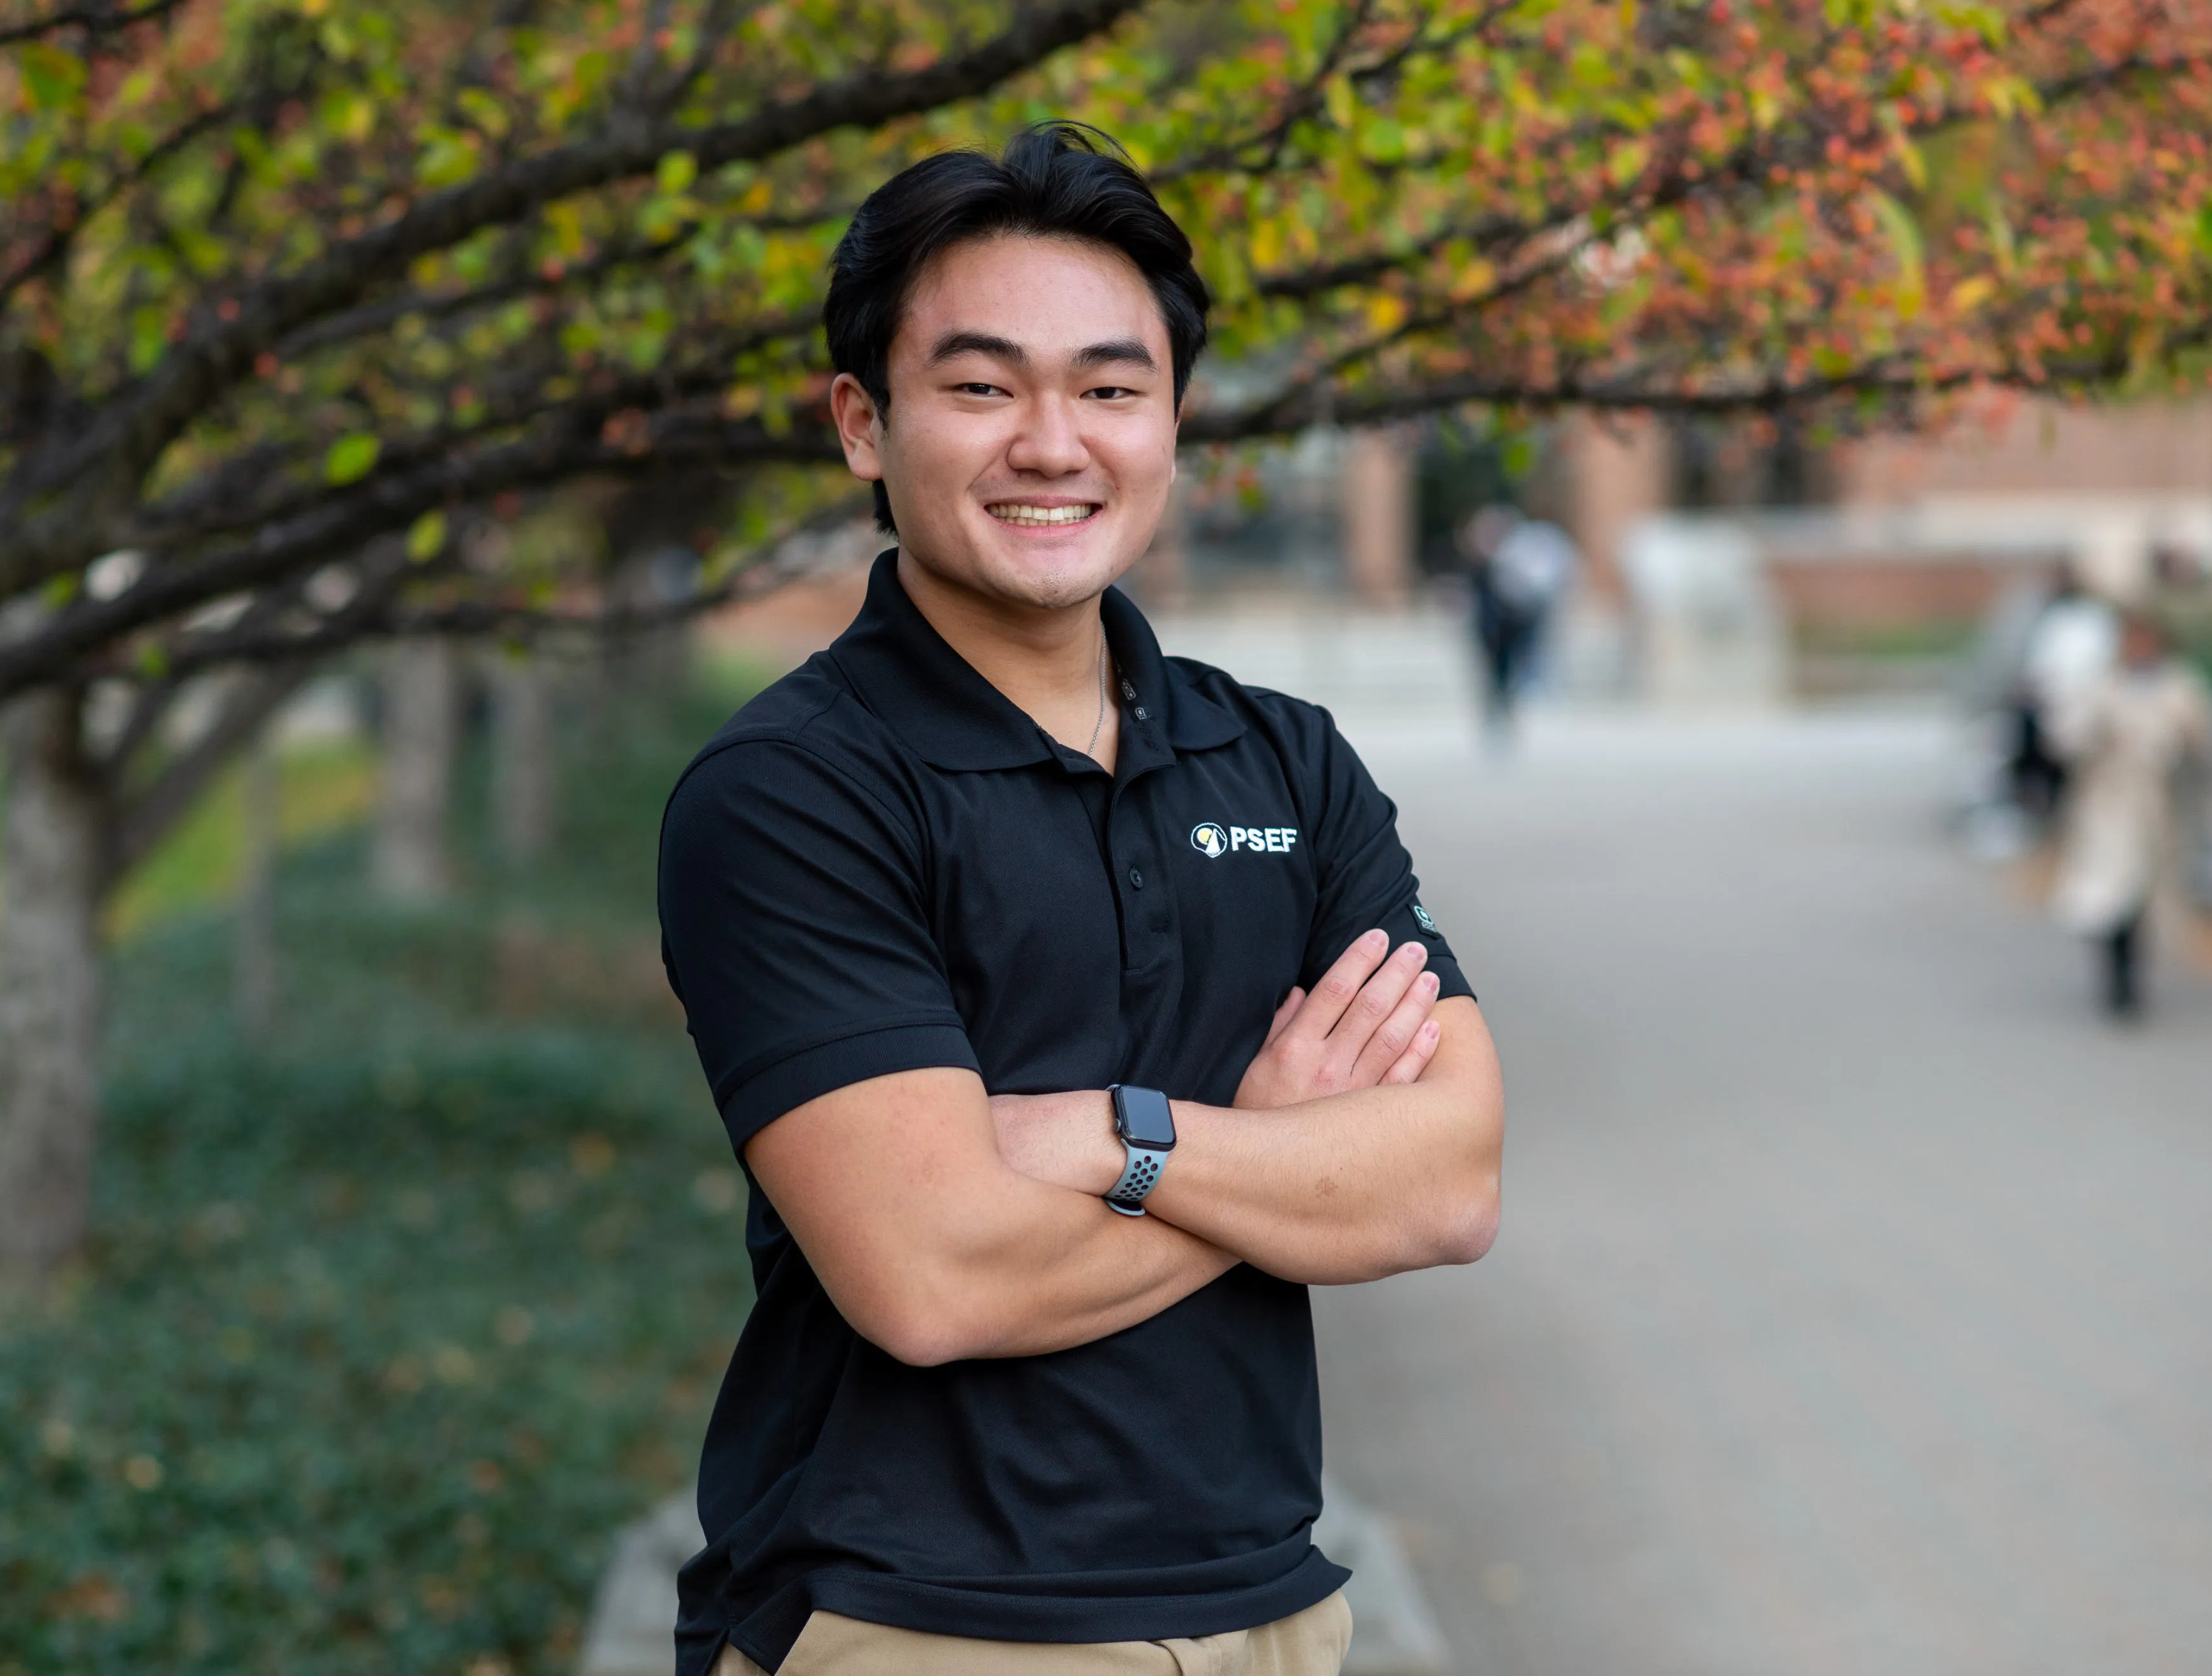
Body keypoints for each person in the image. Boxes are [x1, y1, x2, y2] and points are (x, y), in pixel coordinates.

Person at [656, 123, 1503, 1676]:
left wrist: (1123, 1134)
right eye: (981, 388)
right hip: (920, 1622)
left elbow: (1445, 1184)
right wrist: (1280, 1156)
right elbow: (931, 1274)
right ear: (864, 421)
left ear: (1172, 421)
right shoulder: (791, 791)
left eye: (1111, 389)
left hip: (1275, 1610)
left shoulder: (1284, 760)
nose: (1054, 444)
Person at [2047, 607, 2212, 1018]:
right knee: (2110, 897)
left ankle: (2134, 979)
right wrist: (2097, 734)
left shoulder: (2180, 686)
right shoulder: (2102, 686)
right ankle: (2117, 979)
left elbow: (2204, 738)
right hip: (2109, 803)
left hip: (2159, 806)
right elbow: (2065, 739)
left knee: (2146, 899)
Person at [2010, 559, 2117, 826]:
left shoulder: (2096, 618)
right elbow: (2041, 664)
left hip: (2088, 702)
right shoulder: (2053, 618)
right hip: (2054, 701)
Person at [1459, 505, 1575, 739]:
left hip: (1516, 619)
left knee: (1515, 665)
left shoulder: (1518, 550)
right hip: (1495, 623)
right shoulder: (1490, 563)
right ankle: (1500, 708)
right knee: (1497, 669)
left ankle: (1512, 704)